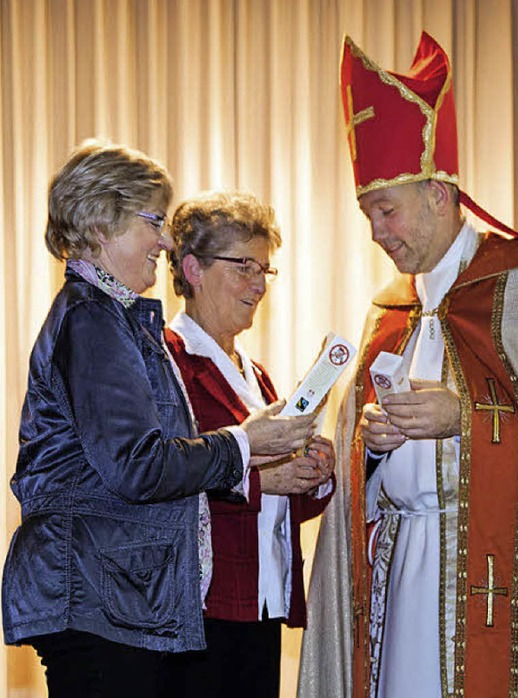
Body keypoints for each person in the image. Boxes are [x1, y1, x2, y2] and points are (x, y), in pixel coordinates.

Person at [298, 32, 518, 697]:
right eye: (368, 217)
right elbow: (355, 476)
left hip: (503, 595)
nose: (378, 234)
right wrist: (369, 445)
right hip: (402, 579)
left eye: (387, 211)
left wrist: (466, 417)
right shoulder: (389, 314)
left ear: (442, 193)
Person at [1, 140, 317, 698]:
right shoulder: (93, 317)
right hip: (97, 594)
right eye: (153, 221)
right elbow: (138, 465)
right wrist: (243, 443)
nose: (166, 241)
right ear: (102, 224)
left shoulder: (109, 316)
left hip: (112, 594)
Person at [160, 191, 335, 698]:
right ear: (192, 269)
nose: (259, 285)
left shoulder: (254, 375)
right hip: (200, 605)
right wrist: (262, 479)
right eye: (244, 267)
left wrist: (312, 474)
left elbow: (277, 498)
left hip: (261, 598)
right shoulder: (167, 361)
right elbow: (157, 481)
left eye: (265, 270)